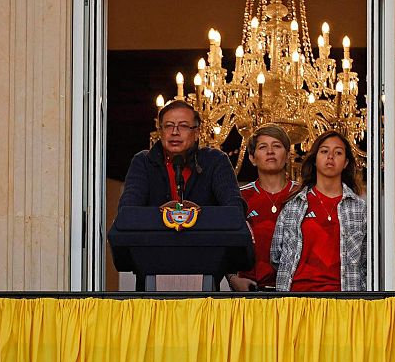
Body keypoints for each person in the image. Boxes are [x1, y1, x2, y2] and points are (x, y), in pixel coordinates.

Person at [270, 130, 367, 291]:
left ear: (346, 163)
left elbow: (368, 260)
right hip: (298, 297)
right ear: (314, 159)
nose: (330, 156)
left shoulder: (360, 209)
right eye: (324, 151)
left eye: (338, 153)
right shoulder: (293, 206)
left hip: (345, 298)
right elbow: (276, 256)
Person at [117, 100, 245, 211]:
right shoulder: (143, 162)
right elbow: (128, 211)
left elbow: (234, 209)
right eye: (168, 126)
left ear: (196, 133)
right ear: (160, 132)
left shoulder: (215, 160)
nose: (175, 132)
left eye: (183, 126)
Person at [226, 125, 297, 291]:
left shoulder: (303, 195)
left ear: (287, 156)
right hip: (252, 291)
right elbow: (226, 244)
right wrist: (232, 278)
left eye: (277, 146)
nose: (270, 151)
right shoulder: (239, 198)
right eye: (263, 147)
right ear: (252, 158)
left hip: (297, 290)